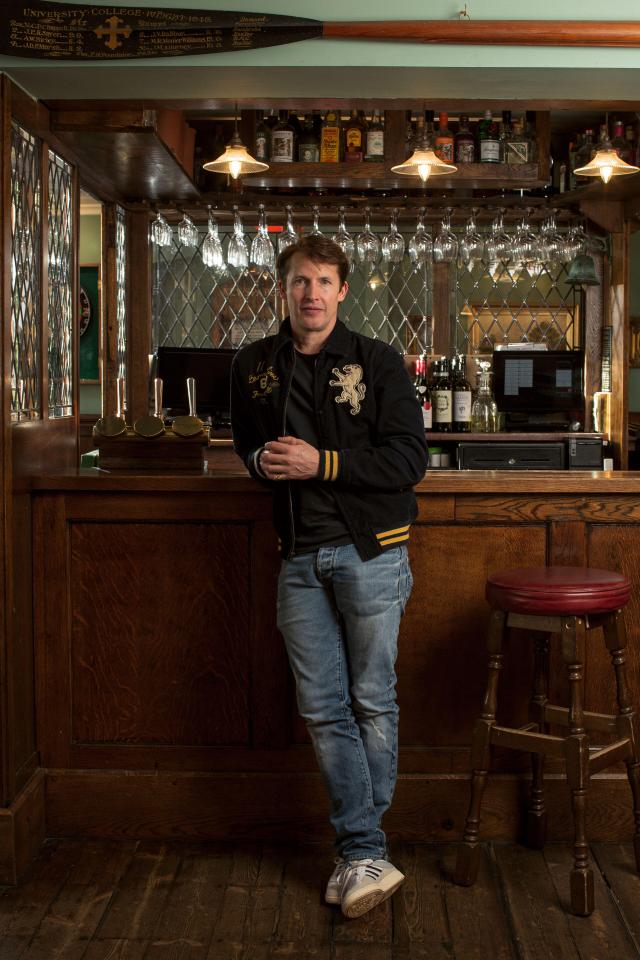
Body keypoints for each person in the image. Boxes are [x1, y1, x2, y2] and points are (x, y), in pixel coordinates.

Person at [230, 235, 428, 919]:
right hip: (298, 558)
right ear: (281, 290)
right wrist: (262, 463)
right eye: (298, 282)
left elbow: (408, 459)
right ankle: (366, 850)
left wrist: (325, 465)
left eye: (322, 281)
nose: (310, 293)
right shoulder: (254, 364)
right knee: (322, 709)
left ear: (343, 291)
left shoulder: (378, 362)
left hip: (370, 553)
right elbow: (245, 443)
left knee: (372, 698)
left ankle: (359, 851)